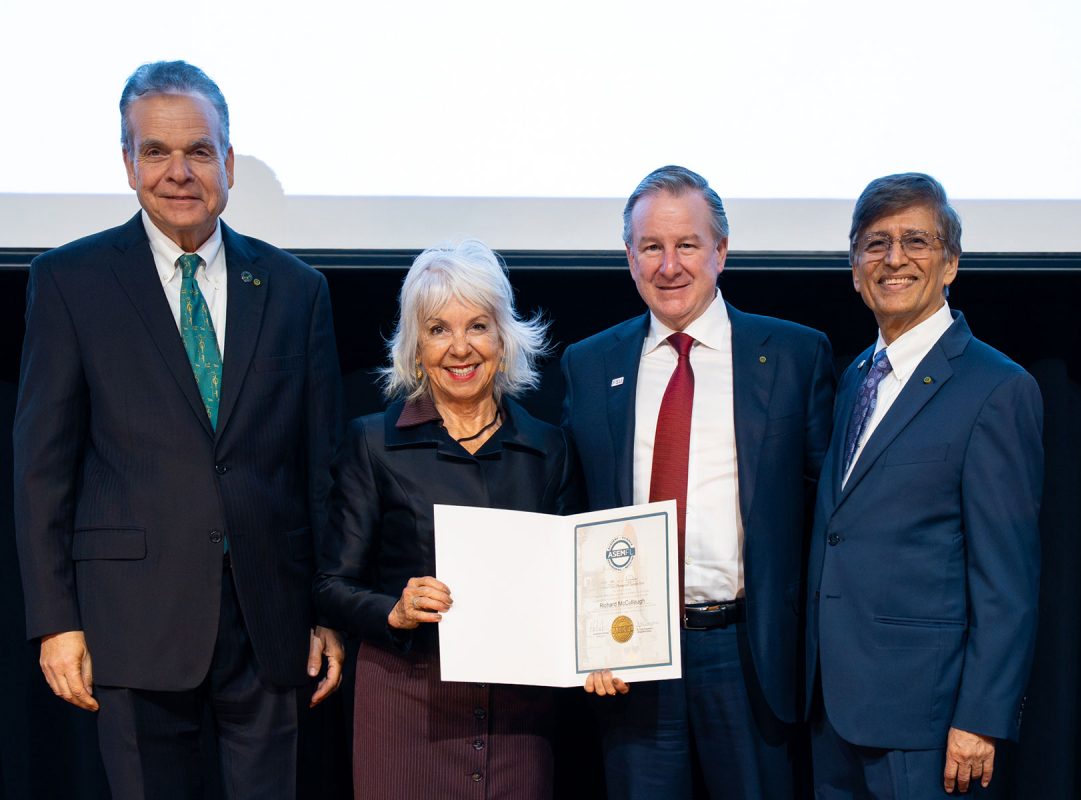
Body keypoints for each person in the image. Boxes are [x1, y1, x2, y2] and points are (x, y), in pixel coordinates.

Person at [13, 60, 344, 798]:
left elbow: (318, 469)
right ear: (128, 163)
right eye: (156, 151)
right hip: (131, 623)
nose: (179, 172)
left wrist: (327, 611)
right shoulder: (70, 282)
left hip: (271, 623)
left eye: (198, 150)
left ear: (228, 162)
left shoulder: (296, 289)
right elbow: (42, 470)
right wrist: (55, 622)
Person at [560, 165, 834, 798]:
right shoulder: (589, 363)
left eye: (687, 244)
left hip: (748, 654)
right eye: (651, 247)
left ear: (721, 251)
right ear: (629, 258)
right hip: (630, 653)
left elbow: (828, 514)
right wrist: (586, 638)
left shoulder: (793, 355)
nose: (669, 266)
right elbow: (571, 510)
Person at [805, 173, 1043, 798]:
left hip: (929, 723)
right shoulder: (855, 376)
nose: (894, 259)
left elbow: (1007, 580)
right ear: (854, 268)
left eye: (916, 240)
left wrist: (982, 717)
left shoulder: (996, 388)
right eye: (875, 243)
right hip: (833, 709)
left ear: (950, 263)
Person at [314, 239, 577, 799]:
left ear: (504, 340)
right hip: (408, 699)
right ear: (416, 348)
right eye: (438, 329)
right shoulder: (373, 443)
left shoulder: (547, 448)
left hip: (519, 709)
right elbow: (331, 586)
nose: (460, 347)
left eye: (478, 326)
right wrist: (395, 610)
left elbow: (576, 584)